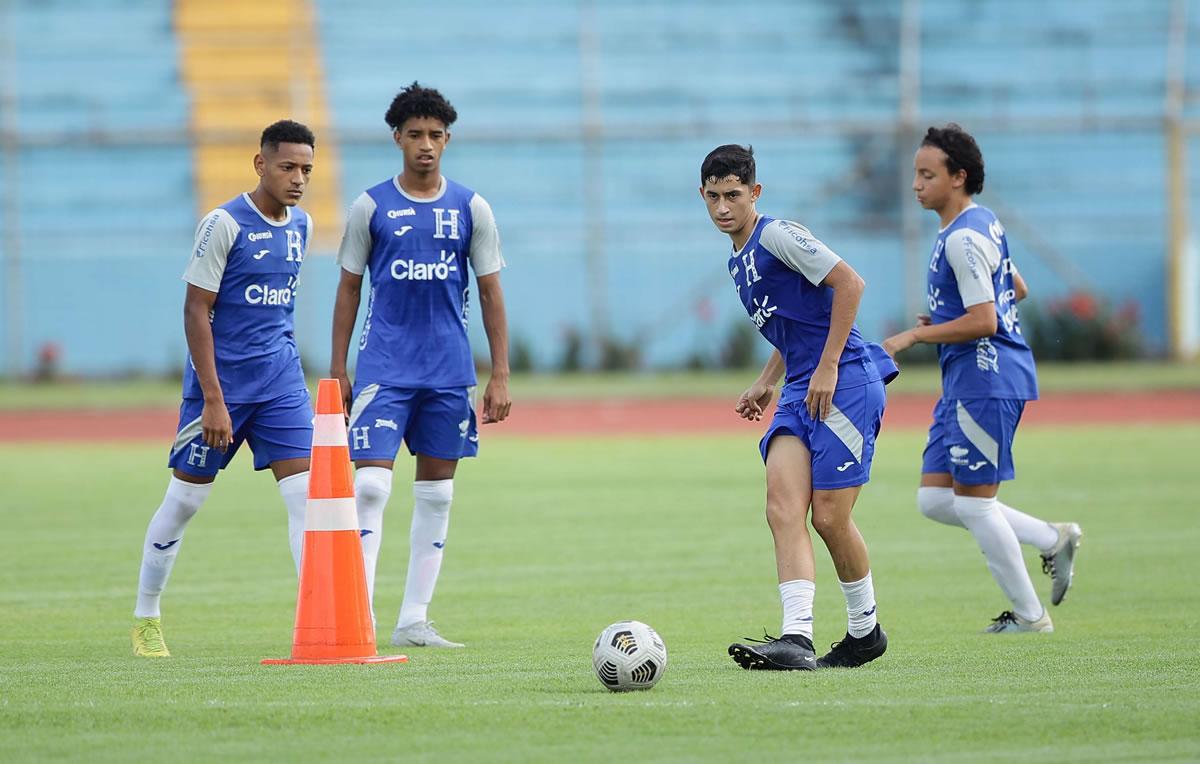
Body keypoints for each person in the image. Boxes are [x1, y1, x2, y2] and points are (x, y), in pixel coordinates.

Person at [700, 144, 897, 671]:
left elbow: (849, 283)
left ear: (755, 193)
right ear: (703, 196)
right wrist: (767, 380)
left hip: (846, 381)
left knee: (831, 518)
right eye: (714, 197)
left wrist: (830, 364)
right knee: (782, 507)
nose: (723, 207)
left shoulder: (777, 235)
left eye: (734, 196)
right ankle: (797, 638)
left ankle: (865, 631)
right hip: (798, 390)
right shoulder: (736, 259)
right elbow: (794, 328)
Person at [330, 82, 510, 649]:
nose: (425, 145)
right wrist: (338, 367)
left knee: (438, 495)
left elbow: (490, 293)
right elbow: (348, 289)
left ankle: (413, 619)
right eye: (415, 135)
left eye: (435, 135)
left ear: (447, 139)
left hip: (448, 374)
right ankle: (357, 615)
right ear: (397, 139)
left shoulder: (471, 208)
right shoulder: (370, 206)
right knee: (371, 486)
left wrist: (499, 372)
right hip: (384, 368)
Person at [883, 123, 1082, 633]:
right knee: (934, 499)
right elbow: (1016, 286)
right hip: (966, 381)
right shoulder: (977, 224)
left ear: (959, 177)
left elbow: (987, 320)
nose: (916, 185)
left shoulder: (964, 238)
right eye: (915, 174)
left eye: (927, 175)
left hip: (987, 379)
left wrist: (914, 337)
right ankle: (1049, 538)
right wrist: (951, 316)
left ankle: (1031, 616)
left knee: (975, 505)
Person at [131, 120, 317, 657]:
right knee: (186, 499)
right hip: (222, 388)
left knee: (306, 498)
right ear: (261, 164)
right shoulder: (223, 223)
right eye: (287, 166)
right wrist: (212, 397)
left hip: (281, 383)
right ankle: (146, 617)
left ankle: (315, 619)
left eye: (306, 168)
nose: (298, 178)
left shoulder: (301, 225)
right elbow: (196, 311)